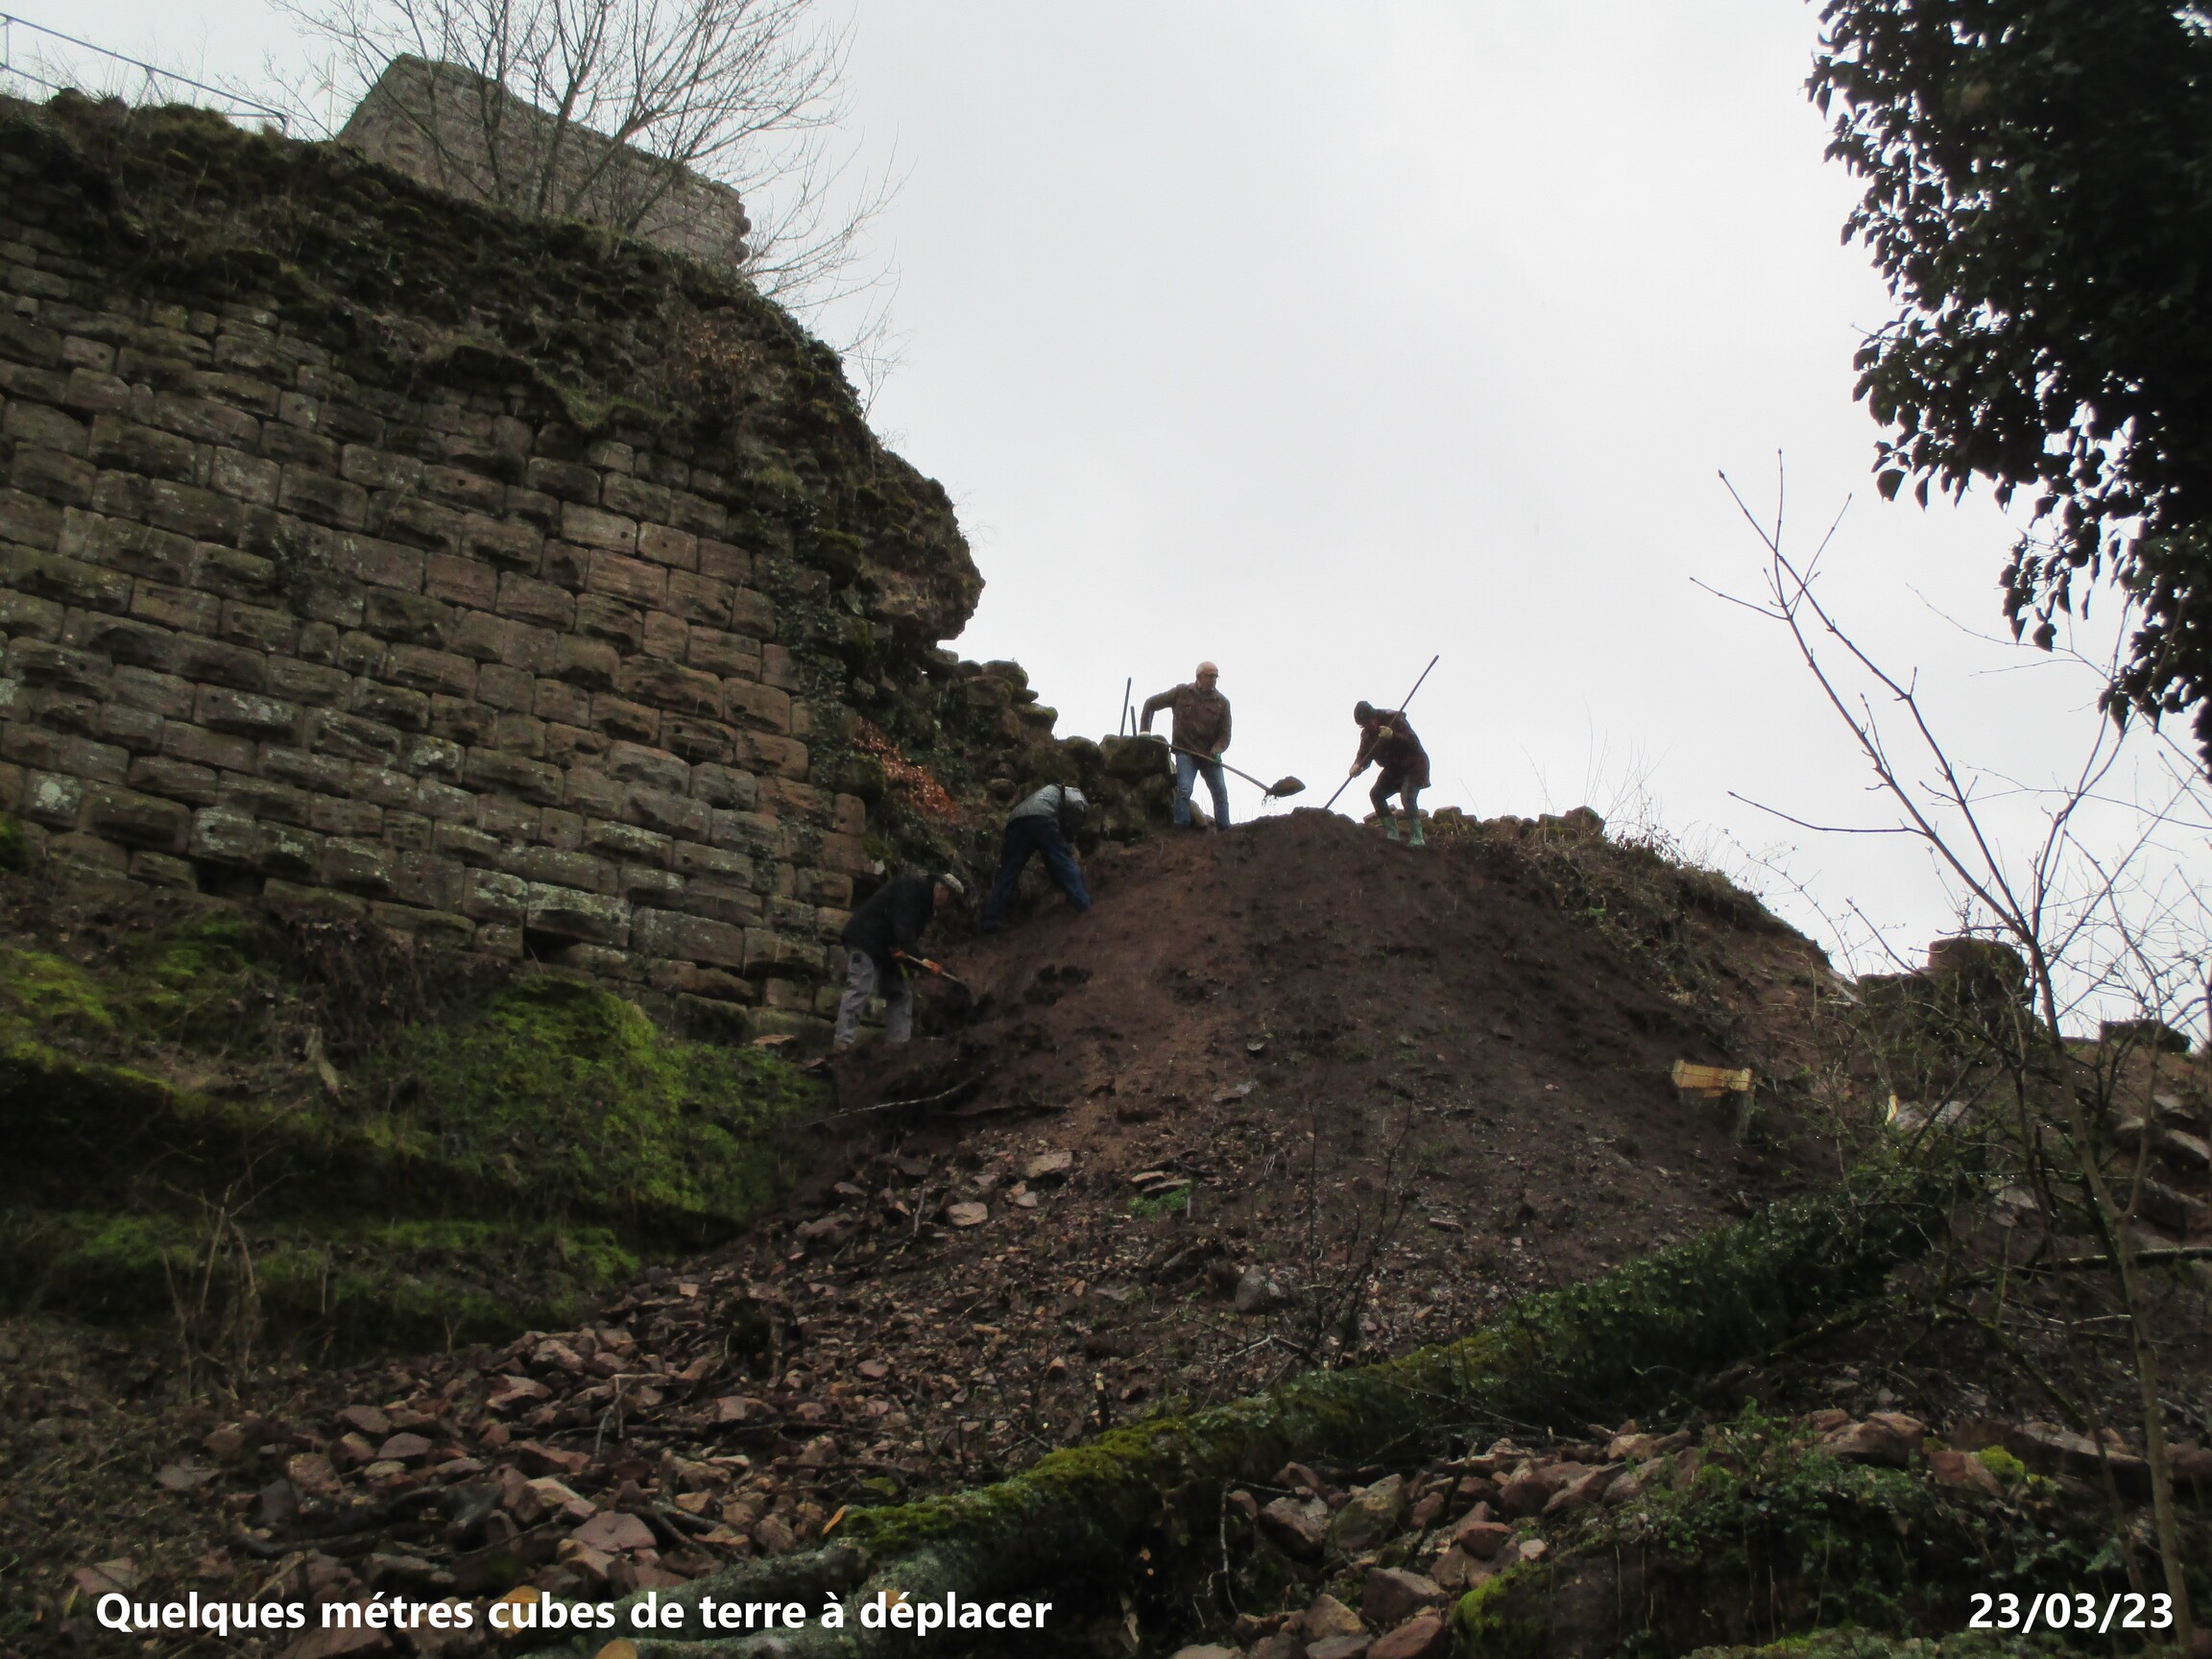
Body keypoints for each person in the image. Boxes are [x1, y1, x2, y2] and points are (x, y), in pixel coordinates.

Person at [833, 869, 964, 1048]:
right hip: (865, 939)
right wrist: (921, 959)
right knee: (861, 984)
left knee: (901, 994)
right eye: (950, 901)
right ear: (943, 890)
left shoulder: (925, 903)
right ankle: (842, 1043)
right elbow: (903, 926)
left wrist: (915, 960)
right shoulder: (912, 886)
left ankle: (897, 1049)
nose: (947, 908)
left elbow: (905, 938)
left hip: (885, 949)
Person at [982, 782, 1093, 932]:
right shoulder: (1079, 798)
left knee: (1008, 872)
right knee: (1063, 861)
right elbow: (1069, 829)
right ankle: (1083, 903)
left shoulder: (1050, 793)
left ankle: (991, 920)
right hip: (1041, 817)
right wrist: (1069, 842)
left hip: (1015, 819)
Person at [1140, 661, 1233, 830]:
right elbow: (1151, 704)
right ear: (1199, 677)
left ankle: (1225, 830)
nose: (1213, 680)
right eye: (1210, 676)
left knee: (1220, 792)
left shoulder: (1222, 703)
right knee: (1184, 789)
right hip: (1185, 752)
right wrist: (1145, 731)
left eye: (1216, 677)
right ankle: (1181, 828)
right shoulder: (1181, 693)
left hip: (1209, 756)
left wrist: (1217, 750)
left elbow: (1224, 735)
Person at [1349, 700, 1431, 845]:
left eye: (1369, 722)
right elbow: (1364, 755)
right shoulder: (1367, 735)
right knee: (1376, 794)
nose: (1369, 726)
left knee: (1407, 797)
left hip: (1413, 765)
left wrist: (1393, 736)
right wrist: (1357, 766)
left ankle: (1417, 836)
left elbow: (1413, 743)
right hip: (1394, 769)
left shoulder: (1393, 719)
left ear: (1374, 716)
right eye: (1364, 724)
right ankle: (1392, 831)